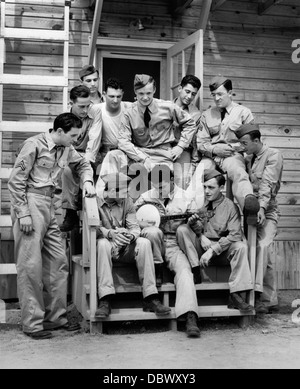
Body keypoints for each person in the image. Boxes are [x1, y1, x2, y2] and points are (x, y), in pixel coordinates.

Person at [8, 113, 96, 340]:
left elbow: (83, 164)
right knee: (30, 266)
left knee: (58, 262)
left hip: (49, 205)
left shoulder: (66, 148)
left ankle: (55, 319)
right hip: (30, 203)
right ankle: (33, 324)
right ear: (59, 132)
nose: (76, 141)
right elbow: (16, 181)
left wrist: (86, 180)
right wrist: (23, 213)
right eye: (73, 136)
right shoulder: (33, 145)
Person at [99, 74, 197, 199]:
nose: (145, 97)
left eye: (148, 93)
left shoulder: (168, 107)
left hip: (162, 156)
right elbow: (123, 141)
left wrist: (180, 146)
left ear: (154, 90)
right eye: (141, 94)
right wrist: (143, 158)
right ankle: (102, 197)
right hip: (139, 154)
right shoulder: (129, 112)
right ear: (135, 92)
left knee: (160, 181)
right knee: (113, 155)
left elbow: (190, 124)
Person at [135, 164, 203, 338]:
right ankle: (155, 275)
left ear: (172, 180)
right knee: (153, 232)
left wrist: (195, 223)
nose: (158, 190)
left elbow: (199, 227)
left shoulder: (185, 197)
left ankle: (190, 315)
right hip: (151, 246)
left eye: (162, 186)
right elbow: (132, 221)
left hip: (173, 244)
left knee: (185, 272)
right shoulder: (144, 197)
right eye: (155, 186)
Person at [95, 172, 171, 318]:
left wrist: (129, 236)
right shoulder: (95, 202)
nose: (128, 193)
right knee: (102, 244)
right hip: (108, 245)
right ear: (112, 191)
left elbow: (134, 227)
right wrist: (111, 234)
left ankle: (150, 297)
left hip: (125, 245)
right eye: (124, 190)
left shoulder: (127, 201)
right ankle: (105, 299)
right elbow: (95, 228)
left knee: (143, 243)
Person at [179, 169, 254, 314]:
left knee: (241, 247)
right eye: (205, 187)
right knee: (182, 229)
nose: (207, 191)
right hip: (200, 250)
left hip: (221, 251)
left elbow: (235, 234)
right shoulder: (199, 203)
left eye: (211, 187)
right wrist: (201, 236)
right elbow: (192, 228)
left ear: (221, 188)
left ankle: (236, 295)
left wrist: (213, 250)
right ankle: (195, 270)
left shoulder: (230, 206)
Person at [195, 75, 260, 221]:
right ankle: (197, 213)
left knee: (238, 173)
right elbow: (201, 143)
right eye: (213, 95)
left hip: (232, 156)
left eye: (220, 94)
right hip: (210, 157)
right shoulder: (206, 115)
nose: (216, 98)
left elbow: (250, 143)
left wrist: (230, 148)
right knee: (199, 174)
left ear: (230, 93)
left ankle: (248, 205)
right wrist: (214, 149)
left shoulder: (244, 113)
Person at [236, 124, 283, 314]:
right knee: (260, 252)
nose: (242, 146)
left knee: (263, 246)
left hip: (268, 210)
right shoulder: (248, 158)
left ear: (256, 141)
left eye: (245, 143)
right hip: (251, 213)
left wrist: (262, 208)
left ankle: (257, 295)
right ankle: (269, 300)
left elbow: (268, 184)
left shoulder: (273, 155)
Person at [60, 85, 102, 232]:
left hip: (91, 154)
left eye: (88, 105)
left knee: (87, 169)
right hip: (70, 152)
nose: (85, 110)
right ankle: (71, 212)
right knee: (66, 170)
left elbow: (94, 139)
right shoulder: (64, 117)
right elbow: (65, 144)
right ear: (71, 103)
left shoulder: (95, 112)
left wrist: (86, 163)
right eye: (81, 106)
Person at [95, 77, 133, 194]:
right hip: (103, 152)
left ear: (123, 95)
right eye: (111, 96)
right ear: (104, 94)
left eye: (119, 96)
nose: (115, 100)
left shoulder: (130, 108)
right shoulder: (96, 109)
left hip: (125, 153)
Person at [173, 75, 202, 189]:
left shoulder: (196, 114)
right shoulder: (165, 107)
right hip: (164, 149)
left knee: (182, 184)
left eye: (193, 94)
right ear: (180, 88)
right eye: (187, 91)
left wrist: (193, 166)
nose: (189, 96)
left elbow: (196, 143)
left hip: (184, 152)